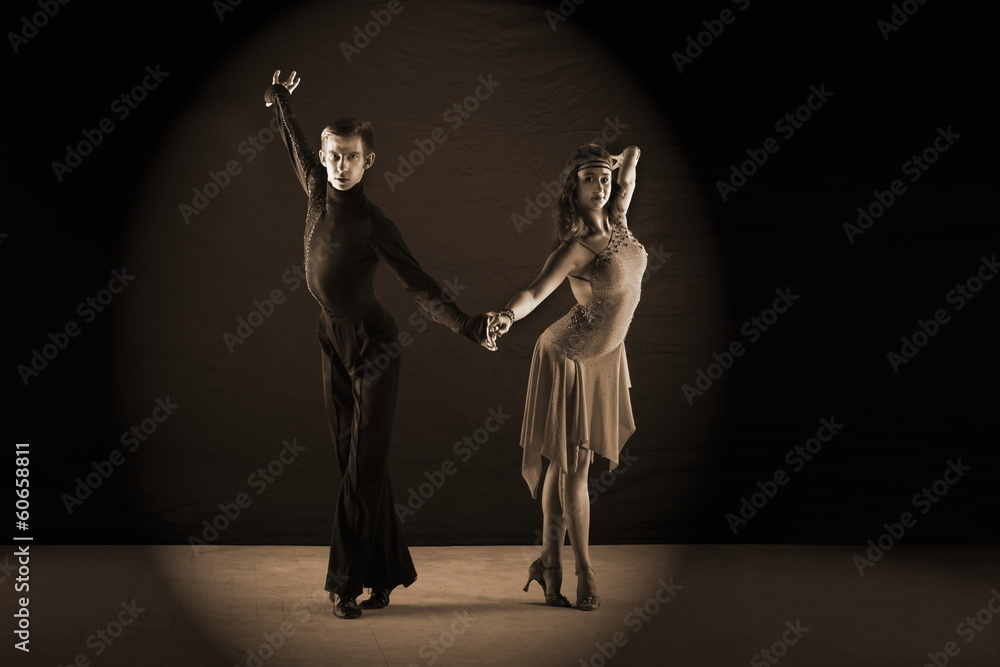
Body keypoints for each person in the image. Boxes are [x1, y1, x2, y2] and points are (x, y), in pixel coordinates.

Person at [263, 70, 494, 619]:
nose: (340, 165)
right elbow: (294, 144)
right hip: (331, 341)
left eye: (351, 157)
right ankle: (387, 572)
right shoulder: (317, 192)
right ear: (325, 158)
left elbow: (419, 284)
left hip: (375, 347)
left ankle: (344, 584)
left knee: (362, 468)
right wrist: (279, 100)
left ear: (370, 162)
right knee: (354, 463)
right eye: (333, 155)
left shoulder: (373, 222)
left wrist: (467, 324)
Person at [489, 143, 645, 611]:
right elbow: (535, 292)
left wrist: (615, 161)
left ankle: (547, 565)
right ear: (572, 190)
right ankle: (584, 571)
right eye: (588, 179)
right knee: (573, 471)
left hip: (606, 357)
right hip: (569, 358)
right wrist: (504, 316)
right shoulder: (575, 250)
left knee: (563, 467)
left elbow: (635, 157)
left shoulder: (620, 219)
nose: (599, 186)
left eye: (603, 178)